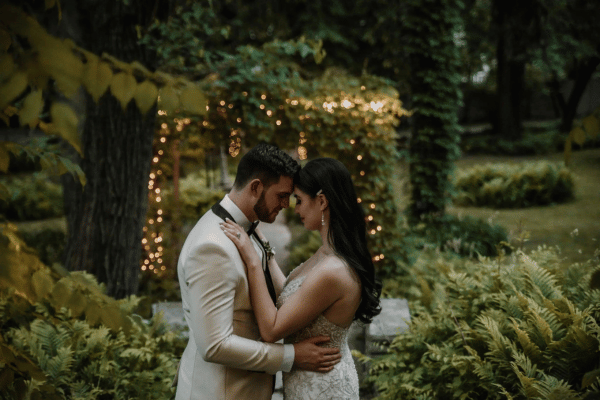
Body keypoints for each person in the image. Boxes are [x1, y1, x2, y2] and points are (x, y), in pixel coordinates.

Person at [175, 145, 342, 400]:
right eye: (282, 195)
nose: (287, 205)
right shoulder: (213, 247)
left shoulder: (248, 230)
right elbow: (214, 345)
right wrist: (293, 356)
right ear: (255, 188)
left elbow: (279, 295)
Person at [221, 157, 382, 399]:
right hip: (308, 382)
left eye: (299, 200)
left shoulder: (333, 271)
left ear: (322, 201)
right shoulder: (327, 254)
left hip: (323, 388)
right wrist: (261, 244)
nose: (294, 209)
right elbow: (288, 293)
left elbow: (272, 329)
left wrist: (253, 263)